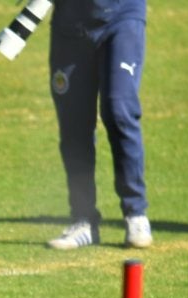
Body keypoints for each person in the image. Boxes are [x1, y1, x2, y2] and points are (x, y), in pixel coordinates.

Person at [45, 0, 152, 250]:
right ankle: (83, 221)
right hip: (69, 27)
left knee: (119, 110)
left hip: (122, 17)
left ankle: (136, 214)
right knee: (74, 124)